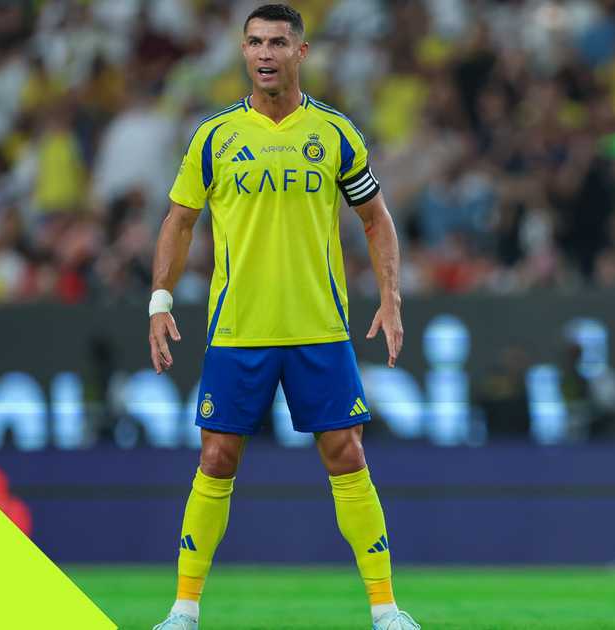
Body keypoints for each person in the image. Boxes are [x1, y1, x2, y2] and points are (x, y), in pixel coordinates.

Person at [146, 5, 418, 629]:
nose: (264, 53)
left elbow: (375, 219)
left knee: (347, 454)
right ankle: (184, 611)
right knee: (216, 459)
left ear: (301, 52)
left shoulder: (335, 133)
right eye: (254, 43)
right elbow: (179, 221)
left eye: (276, 42)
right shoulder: (215, 137)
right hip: (238, 329)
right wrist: (160, 299)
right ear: (243, 52)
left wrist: (391, 298)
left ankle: (386, 610)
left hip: (318, 326)